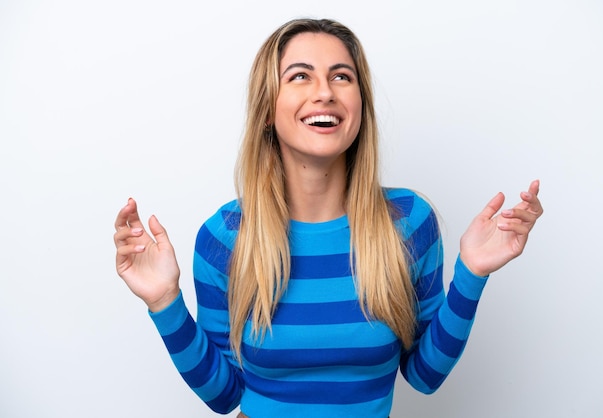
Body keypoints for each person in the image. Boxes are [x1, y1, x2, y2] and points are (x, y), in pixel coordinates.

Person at [113, 18, 543, 418]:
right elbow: (224, 397)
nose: (325, 92)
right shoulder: (225, 238)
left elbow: (424, 376)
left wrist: (471, 274)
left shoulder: (409, 223)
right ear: (268, 109)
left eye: (342, 76)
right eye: (300, 76)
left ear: (360, 106)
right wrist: (164, 302)